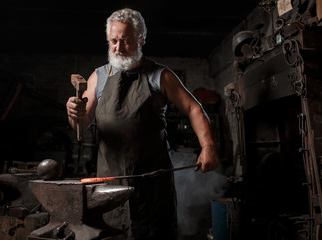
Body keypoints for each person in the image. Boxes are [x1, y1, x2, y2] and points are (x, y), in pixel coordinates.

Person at [66, 8, 220, 240]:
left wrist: (208, 147)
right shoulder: (97, 77)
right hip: (110, 185)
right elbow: (83, 121)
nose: (118, 48)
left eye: (126, 42)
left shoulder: (160, 75)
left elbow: (193, 108)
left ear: (141, 40)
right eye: (113, 41)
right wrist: (73, 113)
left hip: (152, 187)